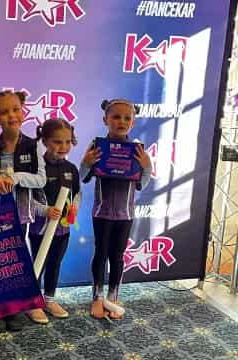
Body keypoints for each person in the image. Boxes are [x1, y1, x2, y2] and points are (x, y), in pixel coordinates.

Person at [80, 99, 151, 319]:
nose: (121, 121)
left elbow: (141, 183)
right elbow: (82, 177)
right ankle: (97, 297)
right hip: (102, 212)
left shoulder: (137, 149)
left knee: (117, 257)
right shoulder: (96, 145)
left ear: (133, 122)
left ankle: (113, 296)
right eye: (116, 117)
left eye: (127, 118)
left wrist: (147, 166)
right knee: (100, 253)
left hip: (125, 214)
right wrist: (86, 162)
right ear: (105, 119)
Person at [0, 90, 46, 333]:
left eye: (15, 109)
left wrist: (16, 177)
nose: (11, 115)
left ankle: (15, 309)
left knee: (17, 261)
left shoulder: (33, 145)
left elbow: (40, 179)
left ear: (23, 111)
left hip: (20, 212)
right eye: (3, 112)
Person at [28, 118, 81, 324]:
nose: (63, 147)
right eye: (57, 142)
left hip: (62, 229)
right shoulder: (36, 169)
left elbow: (77, 193)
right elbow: (27, 202)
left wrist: (74, 207)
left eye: (68, 142)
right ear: (45, 141)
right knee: (38, 263)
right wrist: (45, 210)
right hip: (40, 228)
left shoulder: (71, 168)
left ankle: (49, 299)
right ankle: (33, 303)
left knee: (54, 263)